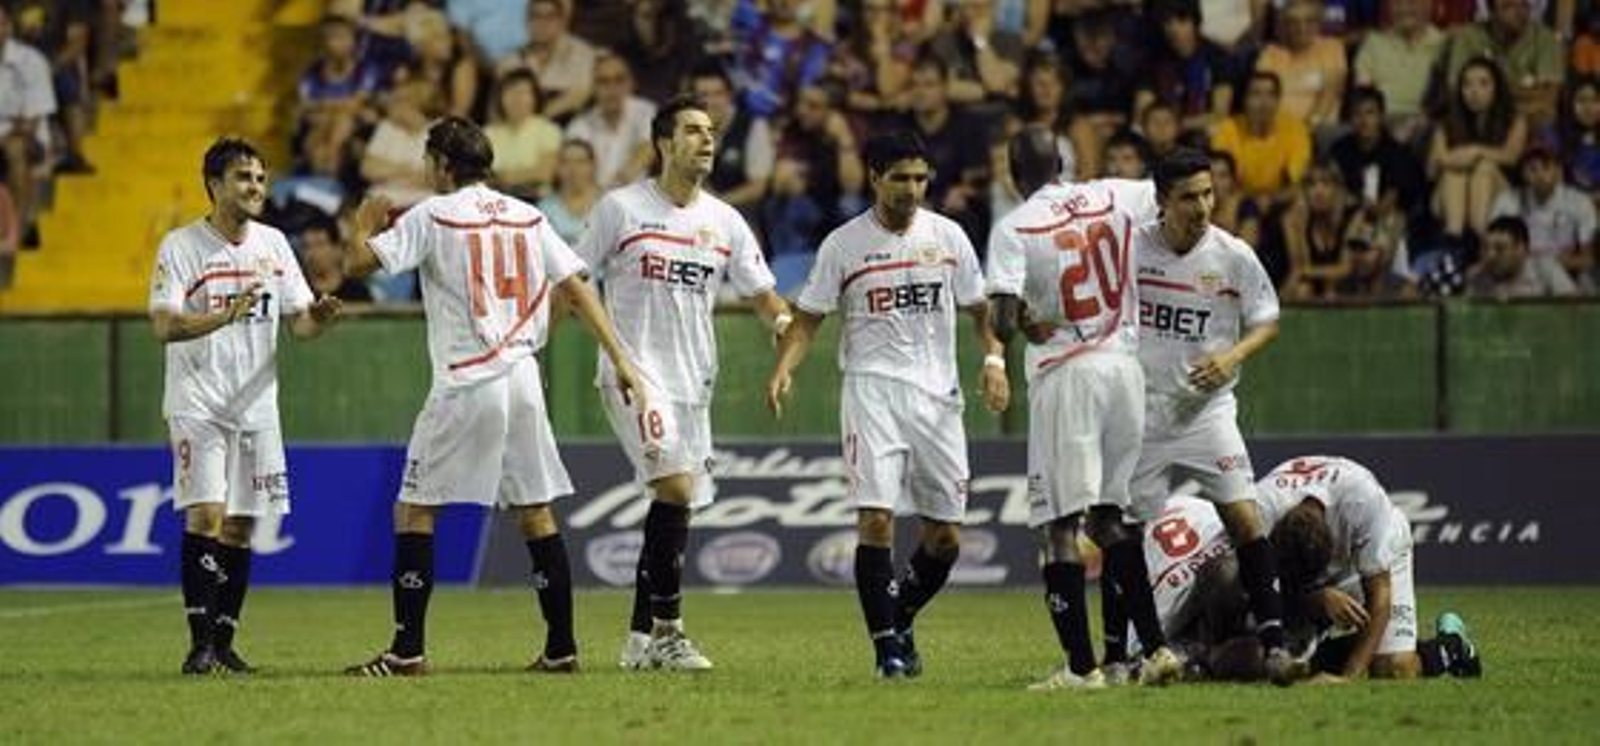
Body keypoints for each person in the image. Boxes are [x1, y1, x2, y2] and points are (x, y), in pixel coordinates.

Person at [340, 116, 643, 676]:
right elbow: (576, 287)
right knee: (535, 512)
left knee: (414, 509)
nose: (426, 169)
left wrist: (363, 225)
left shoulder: (433, 213)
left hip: (467, 376)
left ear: (443, 166)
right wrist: (622, 358)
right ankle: (561, 648)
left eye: (430, 160)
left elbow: (355, 265)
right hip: (523, 376)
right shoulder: (530, 216)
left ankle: (407, 650)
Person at [766, 131, 1009, 679]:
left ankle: (897, 616)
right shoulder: (843, 245)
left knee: (945, 538)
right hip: (871, 392)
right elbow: (807, 321)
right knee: (876, 520)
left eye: (921, 178)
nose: (912, 189)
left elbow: (981, 313)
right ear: (874, 177)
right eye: (900, 178)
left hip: (938, 398)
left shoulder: (949, 237)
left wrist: (994, 363)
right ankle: (888, 653)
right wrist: (784, 367)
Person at [576, 94, 791, 672]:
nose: (707, 140)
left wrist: (788, 326)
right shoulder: (620, 209)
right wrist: (606, 350)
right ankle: (671, 634)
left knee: (676, 504)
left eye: (712, 131)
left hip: (695, 382)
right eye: (693, 130)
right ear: (664, 143)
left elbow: (760, 294)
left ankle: (640, 639)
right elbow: (573, 280)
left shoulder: (724, 221)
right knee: (674, 489)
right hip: (635, 375)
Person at [986, 126, 1183, 690]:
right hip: (1125, 369)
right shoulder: (1113, 194)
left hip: (1066, 373)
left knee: (1057, 526)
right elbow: (1165, 191)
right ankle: (1159, 650)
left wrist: (1025, 317)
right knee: (1108, 518)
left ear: (1011, 171)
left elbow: (1000, 321)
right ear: (1062, 162)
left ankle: (1080, 669)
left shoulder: (1015, 227)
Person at [147, 138, 343, 675]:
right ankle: (199, 644)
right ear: (214, 184)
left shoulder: (275, 245)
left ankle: (225, 642)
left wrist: (319, 318)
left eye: (260, 178)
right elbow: (164, 325)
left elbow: (299, 323)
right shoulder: (181, 246)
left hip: (257, 407)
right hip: (198, 402)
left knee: (241, 527)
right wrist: (224, 316)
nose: (255, 187)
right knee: (206, 515)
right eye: (243, 177)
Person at [1124, 147, 1303, 685]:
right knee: (1125, 534)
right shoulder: (1133, 250)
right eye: (1188, 197)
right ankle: (1147, 652)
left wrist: (1231, 357)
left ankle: (1275, 643)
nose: (1202, 206)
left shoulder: (1233, 256)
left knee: (1245, 519)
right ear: (1161, 201)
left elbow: (1267, 320)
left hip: (1208, 414)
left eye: (1207, 193)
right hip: (1145, 415)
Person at [1134, 488, 1482, 682]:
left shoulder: (1159, 587)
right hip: (1275, 584)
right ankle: (1262, 653)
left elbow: (1143, 656)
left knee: (1395, 669)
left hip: (1362, 563)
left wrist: (1312, 600)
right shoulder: (1183, 509)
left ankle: (1449, 648)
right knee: (1241, 639)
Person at [1254, 456, 1483, 682]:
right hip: (1309, 574)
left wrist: (1348, 678)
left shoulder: (1363, 502)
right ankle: (1313, 654)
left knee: (1394, 667)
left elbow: (1380, 597)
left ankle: (1451, 646)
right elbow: (1251, 586)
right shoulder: (1259, 510)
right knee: (1259, 658)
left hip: (1372, 559)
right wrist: (1313, 598)